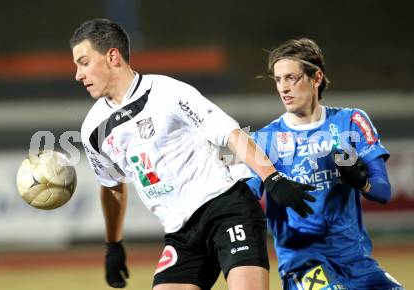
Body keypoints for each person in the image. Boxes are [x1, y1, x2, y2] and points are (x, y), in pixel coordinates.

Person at [70, 19, 316, 290]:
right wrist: (113, 245)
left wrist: (272, 178)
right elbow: (113, 185)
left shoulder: (166, 92)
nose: (78, 74)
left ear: (112, 56)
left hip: (226, 209)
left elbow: (230, 134)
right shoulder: (92, 129)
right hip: (181, 234)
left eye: (84, 62)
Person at [246, 38, 405, 289]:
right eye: (278, 80)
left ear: (316, 77)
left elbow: (383, 191)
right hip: (303, 264)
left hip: (356, 261)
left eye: (291, 78)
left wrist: (361, 182)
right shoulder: (265, 140)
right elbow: (244, 197)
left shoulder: (350, 121)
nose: (283, 88)